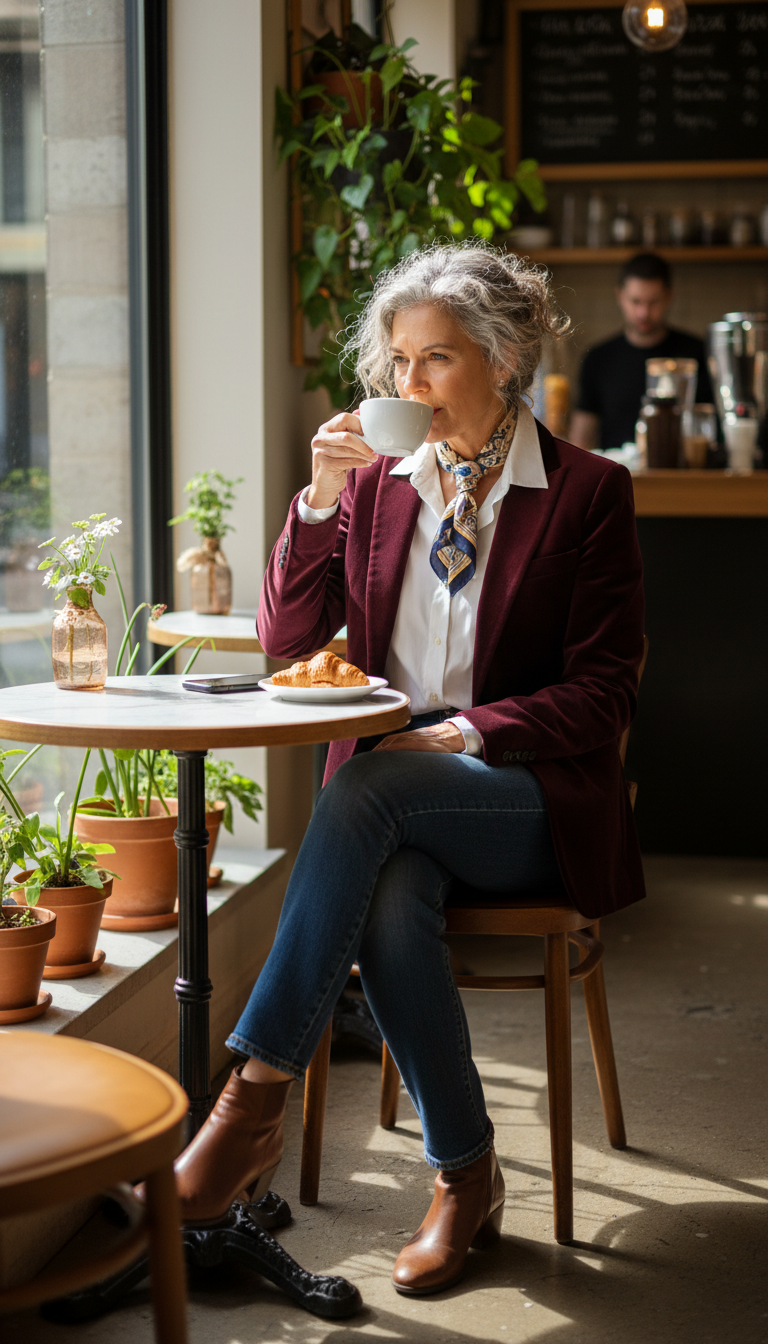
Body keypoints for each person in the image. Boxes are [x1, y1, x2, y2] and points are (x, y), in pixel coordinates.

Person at [167, 244, 646, 1297]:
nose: (409, 382)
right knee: (388, 899)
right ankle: (466, 1176)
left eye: (437, 358)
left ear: (503, 359)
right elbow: (288, 639)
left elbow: (605, 692)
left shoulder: (587, 494)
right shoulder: (380, 489)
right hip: (391, 808)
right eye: (398, 361)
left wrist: (463, 735)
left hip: (524, 791)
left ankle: (249, 1100)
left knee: (369, 783)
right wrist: (318, 498)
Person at [570, 252, 714, 452]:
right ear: (620, 296)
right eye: (635, 301)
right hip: (616, 469)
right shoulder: (598, 358)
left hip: (681, 470)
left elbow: (709, 429)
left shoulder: (696, 353)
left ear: (669, 297)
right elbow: (581, 440)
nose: (643, 313)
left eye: (653, 302)